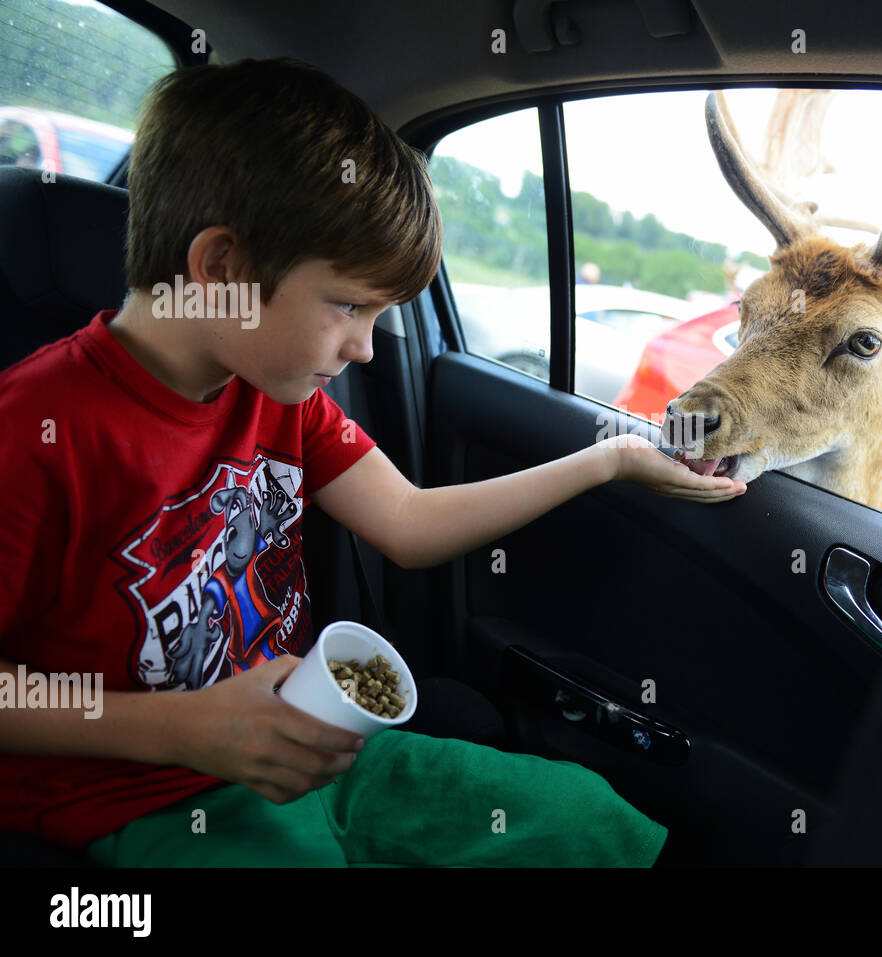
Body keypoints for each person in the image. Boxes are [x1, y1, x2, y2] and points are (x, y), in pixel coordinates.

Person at [0, 58, 744, 868]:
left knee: (585, 819)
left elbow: (410, 522)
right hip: (144, 796)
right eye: (349, 306)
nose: (363, 347)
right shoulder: (38, 428)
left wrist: (611, 461)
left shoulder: (275, 394)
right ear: (220, 270)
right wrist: (189, 727)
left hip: (319, 750)